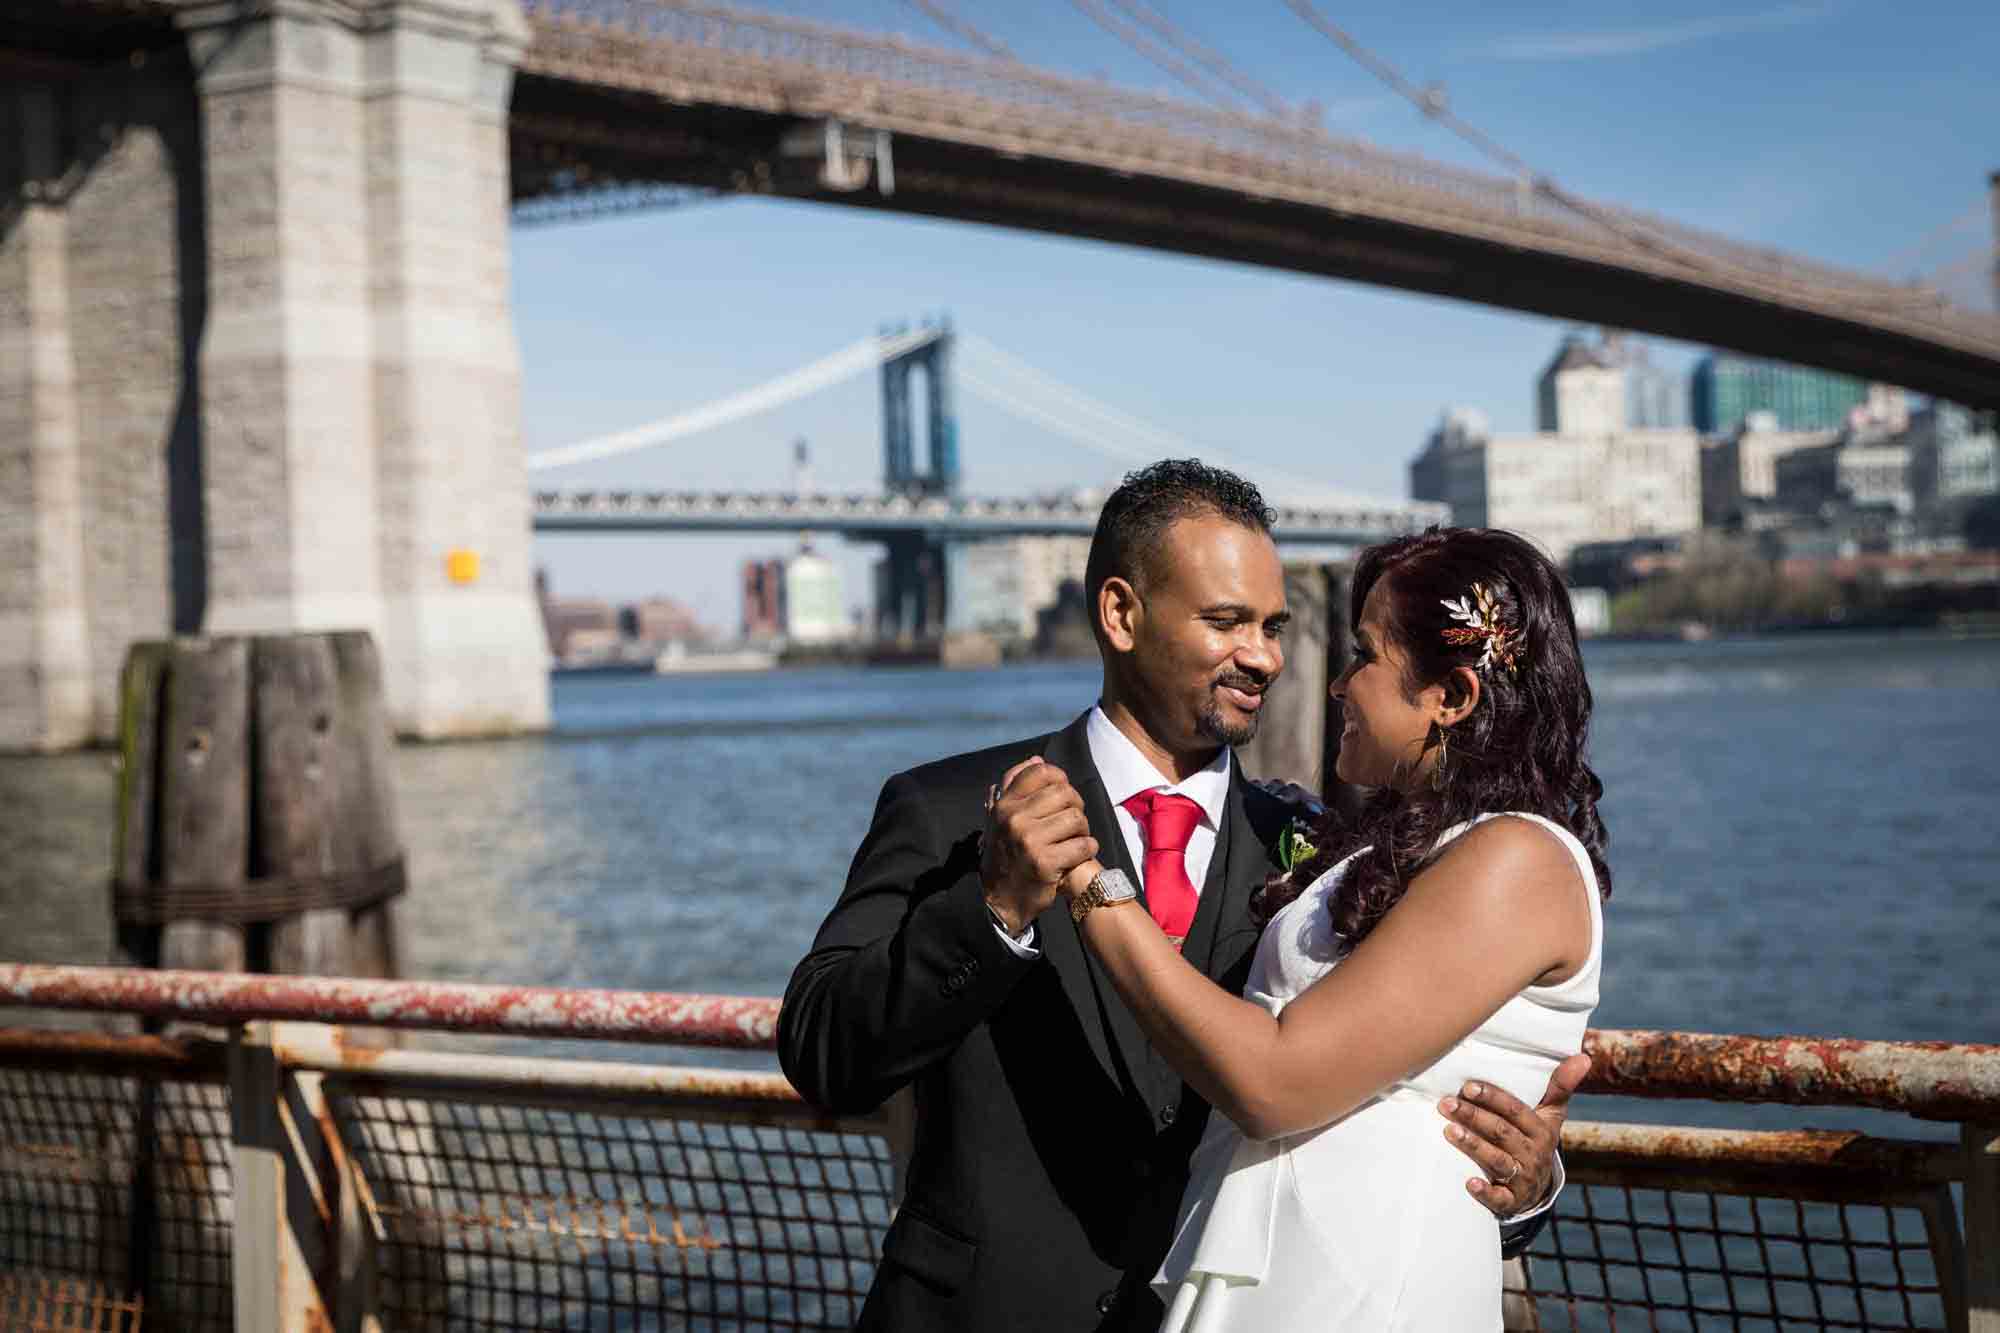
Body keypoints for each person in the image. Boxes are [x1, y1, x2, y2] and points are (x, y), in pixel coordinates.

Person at [778, 462, 1590, 1331]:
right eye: (1226, 621)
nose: (1267, 656)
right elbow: (822, 1052)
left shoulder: (1324, 851)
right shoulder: (948, 808)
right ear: (1122, 614)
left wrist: (1525, 1185)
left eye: (1276, 626)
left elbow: (1396, 1077)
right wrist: (992, 908)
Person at [1054, 524, 1610, 1329]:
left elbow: (1276, 1082)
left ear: (1451, 696)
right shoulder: (1384, 849)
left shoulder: (1517, 860)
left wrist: (1088, 882)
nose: (1337, 686)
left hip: (1363, 1284)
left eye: (1365, 656)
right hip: (1280, 1266)